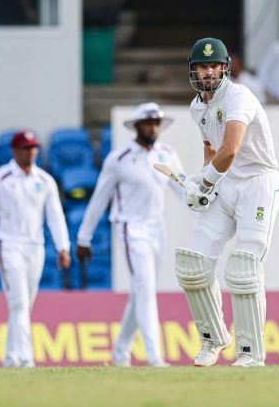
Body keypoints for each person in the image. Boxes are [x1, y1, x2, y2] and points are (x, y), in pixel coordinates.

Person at [177, 37, 279, 367]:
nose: (208, 72)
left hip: (258, 182)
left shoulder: (239, 97)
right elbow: (212, 147)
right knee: (193, 263)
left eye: (213, 66)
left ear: (224, 68)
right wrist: (200, 178)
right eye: (202, 66)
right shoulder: (197, 106)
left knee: (243, 266)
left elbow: (232, 149)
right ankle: (213, 338)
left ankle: (250, 353)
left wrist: (206, 183)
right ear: (193, 70)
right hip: (227, 183)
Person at [75, 102, 183, 367]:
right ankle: (155, 357)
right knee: (145, 288)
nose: (153, 128)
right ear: (136, 127)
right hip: (130, 229)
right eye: (148, 123)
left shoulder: (167, 154)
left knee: (141, 292)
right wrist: (83, 238)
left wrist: (204, 203)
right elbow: (99, 200)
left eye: (157, 122)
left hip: (158, 229)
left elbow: (182, 190)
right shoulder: (119, 159)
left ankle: (120, 355)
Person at [0, 130, 71, 367]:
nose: (31, 152)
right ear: (14, 150)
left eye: (34, 148)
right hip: (7, 245)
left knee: (24, 304)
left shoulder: (44, 180)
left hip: (35, 247)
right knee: (18, 302)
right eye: (26, 148)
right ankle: (26, 358)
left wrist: (63, 246)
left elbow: (55, 217)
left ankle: (10, 357)